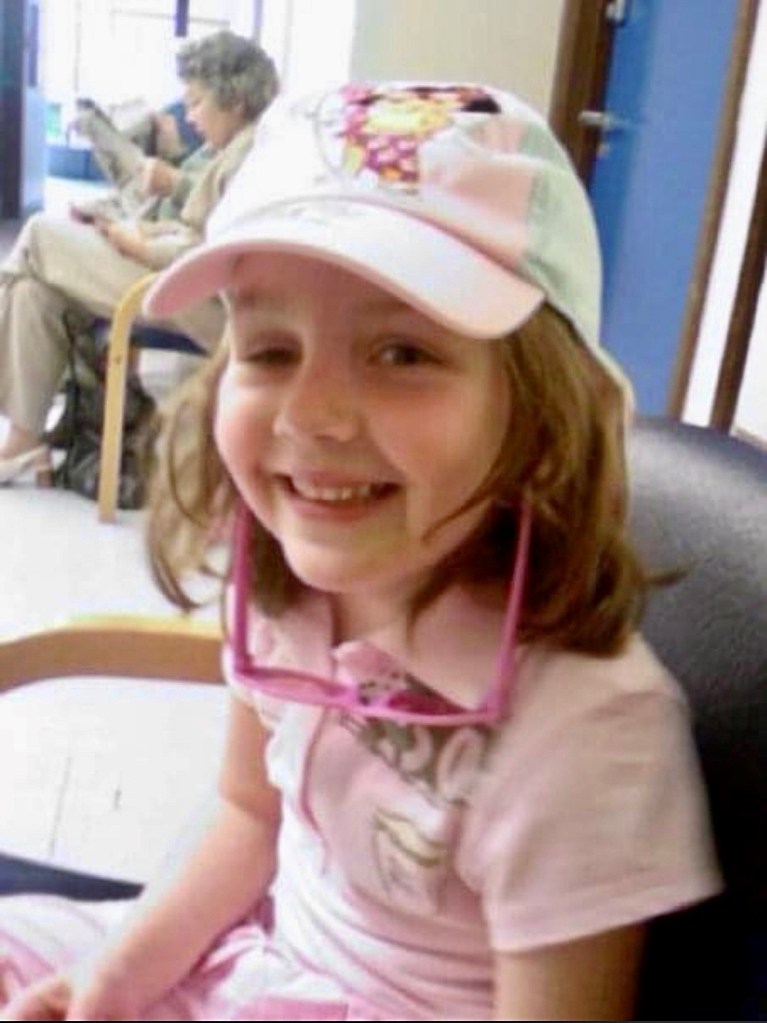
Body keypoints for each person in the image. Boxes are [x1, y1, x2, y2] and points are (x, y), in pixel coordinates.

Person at [0, 82, 722, 1021]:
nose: (311, 413)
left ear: (544, 418)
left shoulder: (585, 733)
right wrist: (113, 985)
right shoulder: (285, 590)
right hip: (249, 954)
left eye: (402, 353)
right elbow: (249, 814)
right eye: (269, 350)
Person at [0, 28, 278, 486]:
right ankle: (25, 439)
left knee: (38, 236)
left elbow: (216, 250)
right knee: (33, 291)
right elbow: (198, 228)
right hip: (180, 276)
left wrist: (140, 245)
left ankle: (26, 433)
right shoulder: (232, 148)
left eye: (197, 103)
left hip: (195, 296)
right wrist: (133, 231)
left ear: (234, 99)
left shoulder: (251, 155)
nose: (189, 117)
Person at [66, 94, 207, 224]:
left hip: (148, 205)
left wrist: (174, 164)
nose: (190, 116)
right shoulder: (208, 149)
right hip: (144, 195)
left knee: (93, 124)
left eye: (196, 104)